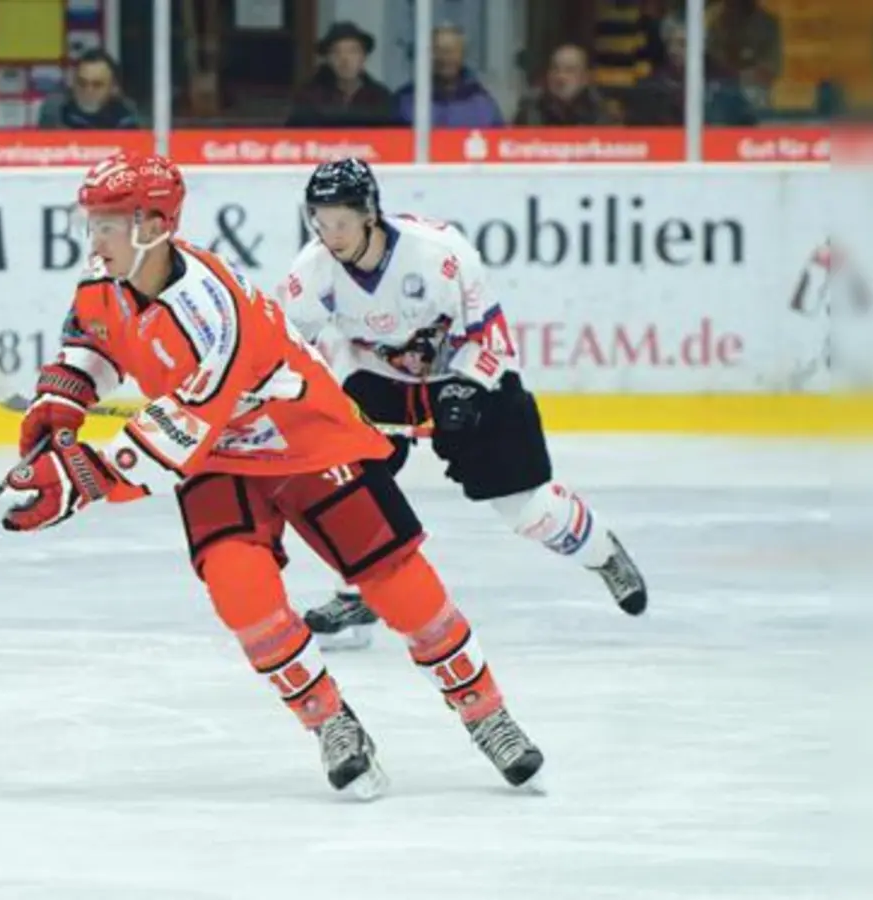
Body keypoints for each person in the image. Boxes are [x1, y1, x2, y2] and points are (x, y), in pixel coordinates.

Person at [0, 152, 544, 797]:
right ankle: (329, 721)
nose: (95, 239)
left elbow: (181, 428)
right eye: (92, 224)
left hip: (304, 438)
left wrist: (79, 478)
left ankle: (485, 711)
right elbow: (92, 340)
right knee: (240, 590)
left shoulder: (212, 308)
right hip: (218, 456)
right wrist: (60, 399)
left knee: (400, 586)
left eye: (108, 224)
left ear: (153, 224)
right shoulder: (102, 276)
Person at [277, 159, 648, 651]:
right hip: (375, 375)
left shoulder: (440, 253)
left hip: (461, 367)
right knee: (349, 484)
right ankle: (359, 598)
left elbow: (489, 334)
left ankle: (602, 552)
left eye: (340, 222)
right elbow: (288, 354)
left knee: (525, 507)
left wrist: (467, 388)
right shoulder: (313, 272)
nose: (330, 235)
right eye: (319, 222)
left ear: (369, 215)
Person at [286, 21, 400, 128]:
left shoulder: (380, 96)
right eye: (336, 53)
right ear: (328, 58)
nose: (345, 60)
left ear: (363, 57)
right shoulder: (309, 96)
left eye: (353, 52)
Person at [395, 24, 505, 128]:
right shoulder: (406, 100)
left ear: (462, 54)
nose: (445, 58)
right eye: (439, 50)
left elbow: (499, 141)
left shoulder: (482, 102)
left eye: (452, 51)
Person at [512, 45, 618, 126]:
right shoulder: (531, 112)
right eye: (555, 69)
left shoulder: (602, 113)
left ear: (585, 78)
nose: (560, 77)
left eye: (569, 70)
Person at [38, 50, 141, 129]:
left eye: (97, 85)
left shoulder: (126, 116)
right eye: (82, 83)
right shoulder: (57, 112)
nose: (88, 91)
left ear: (113, 88)